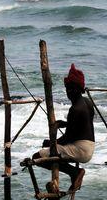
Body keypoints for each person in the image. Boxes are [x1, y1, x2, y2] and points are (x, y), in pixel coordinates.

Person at [32, 63, 95, 191]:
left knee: (37, 158)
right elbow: (83, 124)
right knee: (54, 152)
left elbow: (68, 138)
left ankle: (75, 172)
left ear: (80, 89)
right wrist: (66, 124)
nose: (69, 92)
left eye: (72, 88)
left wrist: (50, 143)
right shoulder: (87, 103)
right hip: (89, 146)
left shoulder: (75, 109)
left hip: (80, 149)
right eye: (68, 88)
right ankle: (74, 173)